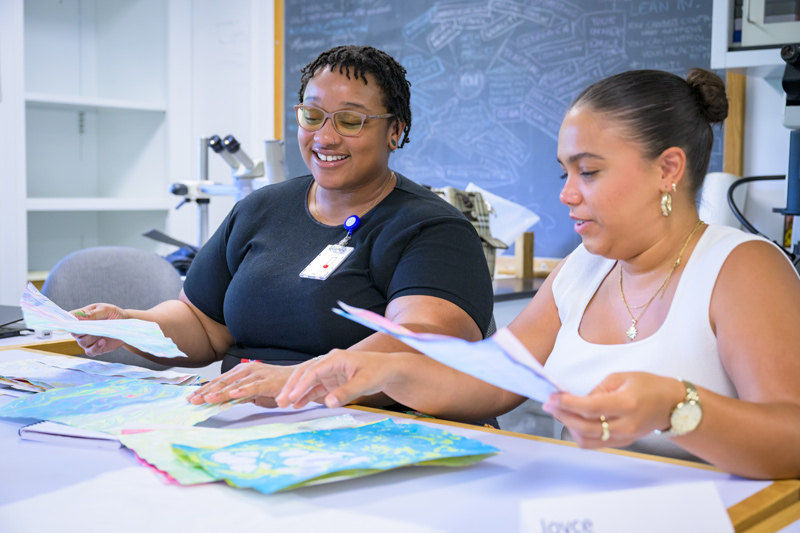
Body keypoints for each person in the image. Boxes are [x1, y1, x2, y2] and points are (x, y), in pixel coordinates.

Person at [274, 68, 800, 480]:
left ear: (668, 169)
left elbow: (791, 436)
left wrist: (675, 406)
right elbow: (491, 378)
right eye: (564, 171)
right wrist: (384, 373)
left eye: (589, 172)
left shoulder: (740, 267)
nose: (567, 193)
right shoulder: (584, 269)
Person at [72, 45, 494, 410]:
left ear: (395, 131)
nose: (325, 137)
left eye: (350, 121)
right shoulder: (261, 209)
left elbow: (421, 343)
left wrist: (296, 382)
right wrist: (129, 325)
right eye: (312, 116)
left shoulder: (433, 229)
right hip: (246, 415)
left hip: (368, 426)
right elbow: (201, 322)